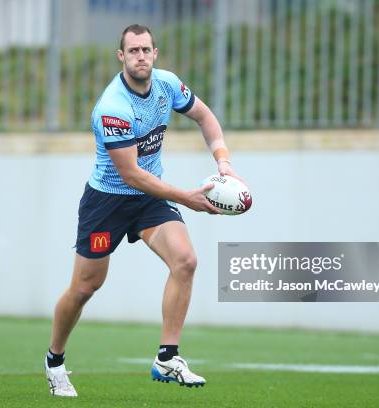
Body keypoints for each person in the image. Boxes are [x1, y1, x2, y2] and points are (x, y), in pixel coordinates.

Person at [45, 24, 243, 397]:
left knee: (185, 260)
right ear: (121, 56)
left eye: (145, 50)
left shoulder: (167, 85)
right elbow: (131, 175)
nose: (140, 56)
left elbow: (205, 117)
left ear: (155, 53)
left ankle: (167, 358)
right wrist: (187, 198)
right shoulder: (112, 107)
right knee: (86, 286)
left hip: (149, 198)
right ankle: (55, 359)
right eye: (132, 50)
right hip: (108, 202)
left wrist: (224, 161)